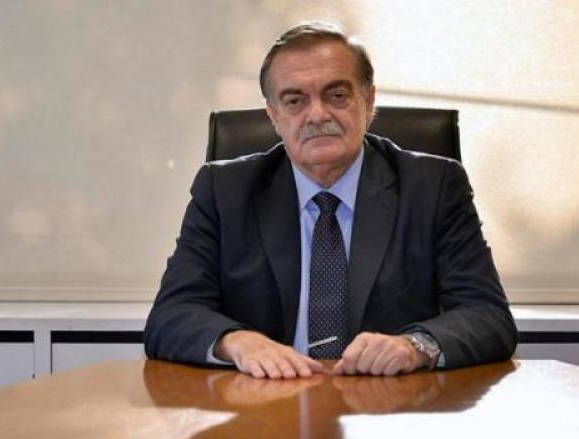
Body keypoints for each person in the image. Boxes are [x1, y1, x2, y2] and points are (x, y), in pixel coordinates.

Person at [144, 22, 517, 379]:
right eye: (295, 100)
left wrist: (414, 347)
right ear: (273, 115)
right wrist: (237, 342)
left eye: (336, 95)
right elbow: (170, 316)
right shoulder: (224, 190)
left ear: (368, 101)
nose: (317, 114)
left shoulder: (432, 187)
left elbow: (488, 316)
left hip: (387, 403)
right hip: (266, 402)